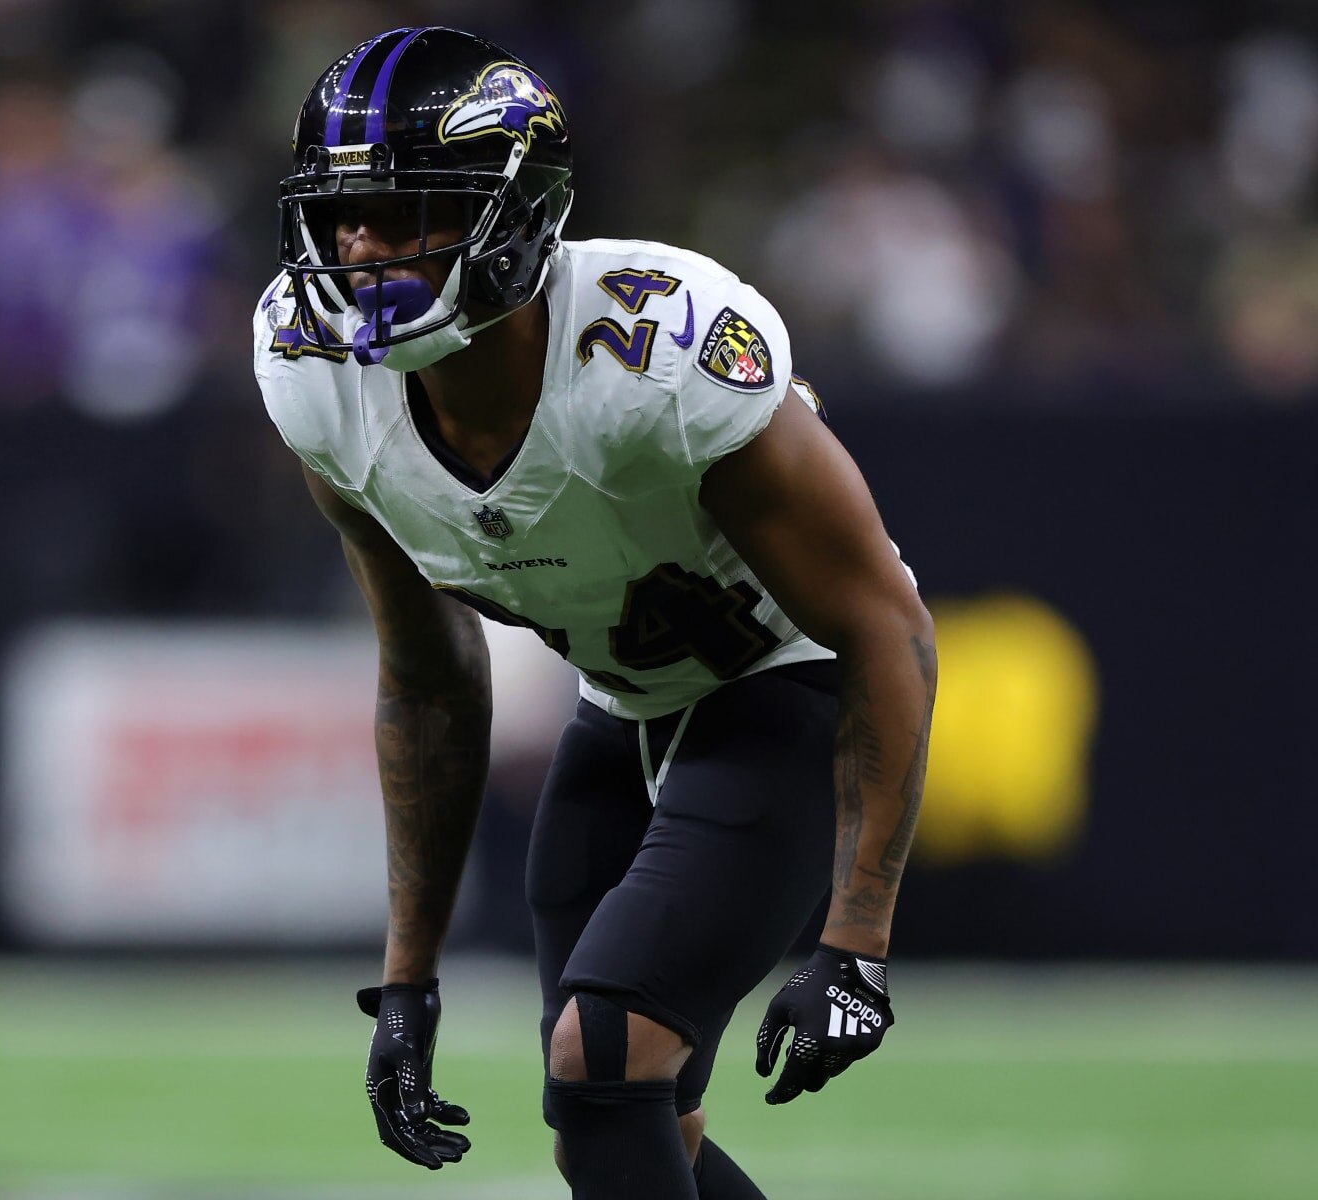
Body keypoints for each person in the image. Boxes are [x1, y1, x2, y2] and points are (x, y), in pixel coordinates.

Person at [251, 26, 936, 1200]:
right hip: (624, 704)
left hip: (786, 679)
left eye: (404, 209)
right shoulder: (317, 377)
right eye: (343, 214)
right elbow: (425, 677)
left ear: (514, 215)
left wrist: (859, 946)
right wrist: (408, 978)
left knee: (606, 1055)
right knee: (613, 1124)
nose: (361, 249)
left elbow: (886, 623)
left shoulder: (653, 350)